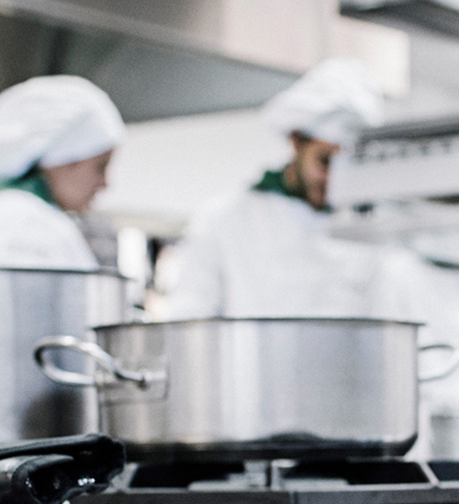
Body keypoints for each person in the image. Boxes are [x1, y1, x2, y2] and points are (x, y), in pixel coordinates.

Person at [164, 58, 384, 320]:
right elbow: (190, 318)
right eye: (325, 161)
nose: (335, 179)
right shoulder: (225, 220)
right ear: (296, 141)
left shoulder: (373, 229)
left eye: (350, 165)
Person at [0, 75, 124, 270]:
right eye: (101, 166)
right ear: (62, 159)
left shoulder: (5, 211)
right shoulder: (22, 220)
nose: (105, 183)